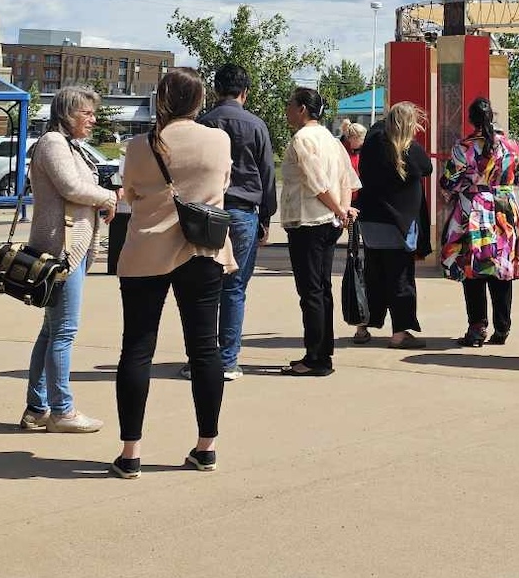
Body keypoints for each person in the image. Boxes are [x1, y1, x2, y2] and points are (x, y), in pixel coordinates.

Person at [112, 68, 233, 475]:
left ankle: (130, 453)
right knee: (204, 349)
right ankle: (206, 446)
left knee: (137, 348)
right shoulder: (218, 140)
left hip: (146, 251)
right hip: (202, 251)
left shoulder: (140, 145)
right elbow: (224, 183)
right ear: (199, 101)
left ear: (160, 99)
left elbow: (128, 192)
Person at [19, 87, 118, 435]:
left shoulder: (68, 145)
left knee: (50, 332)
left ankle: (37, 408)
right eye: (85, 113)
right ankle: (61, 411)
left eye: (93, 113)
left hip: (69, 250)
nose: (92, 119)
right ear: (65, 114)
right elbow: (71, 188)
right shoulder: (53, 144)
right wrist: (109, 197)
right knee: (63, 332)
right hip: (62, 253)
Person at [198, 63, 278, 380]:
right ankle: (228, 360)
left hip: (207, 213)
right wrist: (267, 218)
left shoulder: (204, 123)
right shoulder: (256, 125)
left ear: (216, 89)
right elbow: (268, 175)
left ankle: (201, 358)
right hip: (244, 212)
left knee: (204, 288)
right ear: (245, 92)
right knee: (234, 288)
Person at [280, 86, 358, 376]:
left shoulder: (303, 139)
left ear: (302, 109)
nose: (287, 109)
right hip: (327, 223)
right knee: (322, 289)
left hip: (308, 222)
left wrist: (339, 209)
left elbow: (317, 183)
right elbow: (348, 179)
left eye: (290, 104)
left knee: (311, 292)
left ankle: (316, 358)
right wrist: (343, 210)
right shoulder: (330, 138)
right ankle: (322, 352)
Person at [440, 97, 519, 346]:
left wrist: (470, 185)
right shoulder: (512, 146)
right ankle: (502, 328)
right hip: (504, 211)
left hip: (472, 210)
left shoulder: (463, 148)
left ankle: (477, 329)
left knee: (473, 269)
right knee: (502, 267)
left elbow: (449, 181)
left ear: (471, 119)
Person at [351, 102, 435, 349]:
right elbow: (428, 168)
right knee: (400, 278)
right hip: (398, 225)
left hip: (371, 222)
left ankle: (363, 326)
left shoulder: (373, 142)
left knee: (373, 274)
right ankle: (400, 332)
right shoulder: (409, 150)